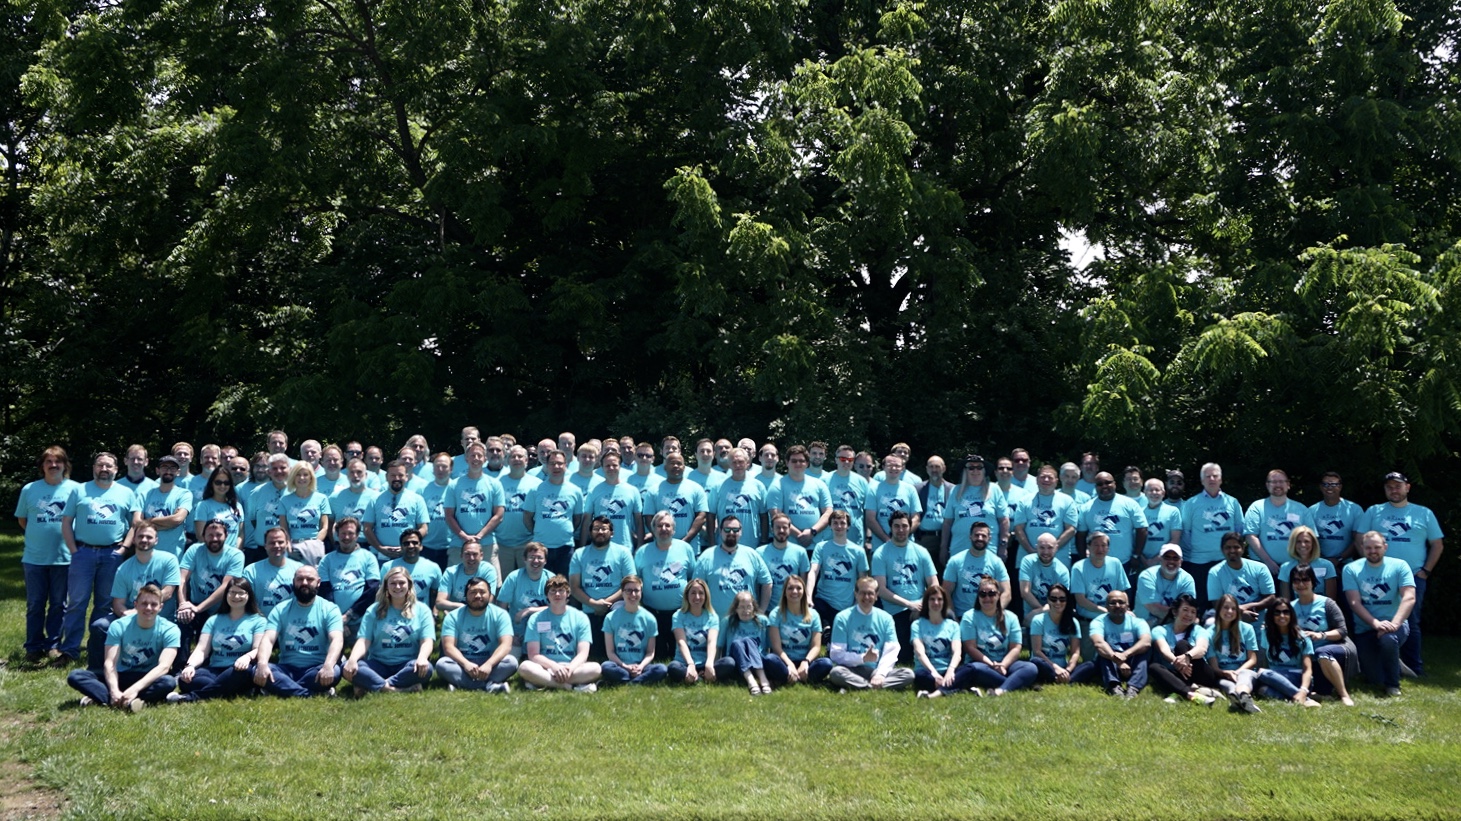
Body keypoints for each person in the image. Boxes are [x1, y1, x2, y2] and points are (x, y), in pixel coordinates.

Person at [59, 451, 140, 666]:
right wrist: (74, 550)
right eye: (100, 465)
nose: (104, 469)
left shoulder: (126, 493)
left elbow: (135, 523)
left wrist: (124, 548)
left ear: (116, 470)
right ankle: (69, 650)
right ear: (94, 467)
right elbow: (66, 521)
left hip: (112, 554)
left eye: (108, 466)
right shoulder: (79, 490)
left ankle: (96, 650)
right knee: (77, 601)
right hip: (83, 553)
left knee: (105, 603)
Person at [1359, 471, 1443, 677]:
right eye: (1389, 486)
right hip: (1378, 577)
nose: (1393, 490)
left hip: (1413, 577)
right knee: (1375, 618)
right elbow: (1360, 539)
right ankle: (1378, 663)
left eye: (1398, 486)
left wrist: (1425, 571)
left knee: (1410, 621)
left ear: (1407, 488)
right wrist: (1369, 565)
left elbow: (1437, 544)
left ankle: (1414, 666)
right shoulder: (1374, 511)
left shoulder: (1423, 513)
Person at [66, 584, 178, 711]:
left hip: (145, 677)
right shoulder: (118, 625)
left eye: (153, 604)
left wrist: (134, 689)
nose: (148, 608)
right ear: (135, 605)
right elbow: (110, 663)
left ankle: (104, 698)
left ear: (160, 607)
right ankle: (129, 701)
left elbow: (164, 667)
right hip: (119, 674)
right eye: (144, 603)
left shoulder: (170, 629)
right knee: (76, 676)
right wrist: (114, 690)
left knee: (168, 682)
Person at [16, 446, 79, 663]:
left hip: (64, 557)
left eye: (58, 461)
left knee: (59, 604)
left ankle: (53, 645)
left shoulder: (75, 489)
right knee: (35, 604)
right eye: (49, 462)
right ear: (42, 466)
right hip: (34, 558)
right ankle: (33, 647)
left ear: (65, 465)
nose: (53, 465)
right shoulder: (29, 489)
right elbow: (23, 519)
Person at [93, 524, 181, 669]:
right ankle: (97, 672)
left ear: (156, 540)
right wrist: (126, 614)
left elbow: (168, 592)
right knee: (100, 626)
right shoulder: (124, 568)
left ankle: (178, 670)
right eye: (140, 536)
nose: (144, 540)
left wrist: (141, 610)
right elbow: (117, 603)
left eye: (149, 537)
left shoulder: (169, 560)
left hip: (161, 619)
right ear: (133, 540)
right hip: (131, 620)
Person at [252, 565, 345, 698]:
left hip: (316, 668)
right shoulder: (280, 609)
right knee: (257, 670)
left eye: (309, 579)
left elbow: (337, 639)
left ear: (318, 582)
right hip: (286, 668)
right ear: (293, 582)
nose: (304, 583)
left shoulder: (330, 609)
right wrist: (262, 664)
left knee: (335, 672)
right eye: (300, 579)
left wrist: (328, 665)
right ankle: (308, 694)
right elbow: (268, 639)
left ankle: (282, 688)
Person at [1343, 530, 1415, 696]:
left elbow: (1409, 598)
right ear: (1361, 548)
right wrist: (1375, 623)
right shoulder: (1351, 569)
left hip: (1395, 626)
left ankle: (1393, 686)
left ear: (1385, 547)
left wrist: (1394, 624)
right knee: (1374, 679)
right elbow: (1354, 603)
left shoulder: (1400, 566)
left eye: (1377, 547)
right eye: (1368, 548)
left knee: (1388, 640)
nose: (1373, 551)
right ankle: (1393, 661)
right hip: (1366, 628)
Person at [343, 567, 435, 694]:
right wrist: (352, 659)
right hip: (378, 664)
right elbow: (364, 640)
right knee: (347, 667)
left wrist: (422, 658)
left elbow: (427, 641)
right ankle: (396, 689)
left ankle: (374, 685)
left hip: (407, 663)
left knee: (427, 669)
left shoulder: (422, 610)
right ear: (386, 586)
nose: (397, 587)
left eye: (402, 583)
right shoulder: (373, 610)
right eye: (393, 583)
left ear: (409, 585)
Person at [172, 578, 266, 702]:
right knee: (185, 680)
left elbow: (258, 649)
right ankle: (230, 689)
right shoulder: (214, 620)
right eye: (232, 592)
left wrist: (247, 657)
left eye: (241, 593)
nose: (236, 596)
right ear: (226, 595)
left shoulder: (258, 620)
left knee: (244, 673)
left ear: (249, 595)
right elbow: (201, 650)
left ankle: (191, 698)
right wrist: (190, 666)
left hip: (237, 669)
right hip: (214, 669)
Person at [825, 577, 914, 691]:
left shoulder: (886, 618)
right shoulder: (842, 618)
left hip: (877, 669)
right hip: (852, 668)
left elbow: (891, 650)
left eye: (870, 593)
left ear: (876, 595)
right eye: (862, 593)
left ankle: (862, 685)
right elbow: (836, 654)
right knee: (836, 673)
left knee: (908, 674)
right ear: (855, 594)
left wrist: (880, 674)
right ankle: (872, 686)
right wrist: (862, 658)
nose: (866, 597)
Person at [871, 511, 937, 663]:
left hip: (921, 607)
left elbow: (934, 584)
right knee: (903, 657)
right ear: (891, 527)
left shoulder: (921, 552)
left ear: (910, 527)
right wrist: (909, 605)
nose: (901, 530)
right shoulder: (881, 553)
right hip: (895, 611)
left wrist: (921, 604)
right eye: (897, 526)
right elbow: (880, 590)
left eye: (904, 526)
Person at [517, 574, 602, 692]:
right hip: (545, 667)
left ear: (567, 594)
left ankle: (542, 682)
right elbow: (533, 655)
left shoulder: (581, 618)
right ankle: (570, 687)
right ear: (547, 595)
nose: (557, 594)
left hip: (571, 666)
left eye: (561, 591)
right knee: (525, 667)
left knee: (596, 668)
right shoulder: (536, 618)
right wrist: (554, 667)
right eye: (553, 591)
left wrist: (569, 669)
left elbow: (583, 653)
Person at [436, 577, 519, 693]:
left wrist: (489, 664)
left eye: (482, 592)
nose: (478, 596)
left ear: (490, 595)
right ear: (465, 596)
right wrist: (466, 664)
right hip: (462, 663)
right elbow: (448, 647)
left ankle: (463, 684)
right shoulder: (453, 616)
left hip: (491, 661)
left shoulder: (501, 614)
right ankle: (489, 686)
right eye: (473, 592)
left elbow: (506, 645)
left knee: (511, 662)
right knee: (442, 664)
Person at [958, 577, 1039, 696]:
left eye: (991, 594)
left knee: (1031, 668)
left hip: (1005, 663)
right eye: (983, 594)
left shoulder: (1011, 617)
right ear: (978, 596)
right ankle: (1016, 683)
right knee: (975, 669)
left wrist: (1003, 665)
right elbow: (970, 648)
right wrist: (992, 665)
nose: (987, 598)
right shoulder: (969, 617)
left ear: (998, 595)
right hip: (981, 664)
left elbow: (1016, 648)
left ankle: (1000, 690)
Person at [1290, 564, 1356, 706]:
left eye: (1305, 580)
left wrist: (1322, 635)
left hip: (1333, 649)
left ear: (1313, 582)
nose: (1301, 584)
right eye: (1296, 580)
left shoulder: (1327, 603)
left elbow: (1342, 631)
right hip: (1307, 656)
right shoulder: (1289, 608)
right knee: (1322, 690)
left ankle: (1344, 695)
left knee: (1322, 652)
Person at [176, 520, 245, 652]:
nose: (214, 539)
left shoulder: (236, 555)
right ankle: (180, 666)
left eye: (218, 535)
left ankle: (205, 666)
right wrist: (183, 605)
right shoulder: (194, 550)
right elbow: (182, 579)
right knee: (183, 619)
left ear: (226, 536)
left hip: (222, 608)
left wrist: (198, 609)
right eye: (210, 535)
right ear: (203, 536)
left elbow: (226, 586)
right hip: (195, 603)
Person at [1181, 463, 1245, 603]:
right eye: (1207, 476)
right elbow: (1186, 533)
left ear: (1221, 479)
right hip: (1199, 561)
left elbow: (1239, 529)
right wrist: (1195, 551)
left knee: (1227, 602)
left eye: (1215, 476)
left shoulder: (1232, 502)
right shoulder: (1191, 504)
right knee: (1201, 602)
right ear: (1202, 480)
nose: (1211, 479)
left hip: (1225, 560)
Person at [634, 511, 697, 644]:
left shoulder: (685, 549)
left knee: (678, 653)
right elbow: (636, 580)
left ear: (674, 529)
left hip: (681, 613)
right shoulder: (642, 552)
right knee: (659, 654)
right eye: (659, 525)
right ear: (653, 529)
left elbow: (692, 577)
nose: (664, 529)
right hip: (653, 614)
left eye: (667, 526)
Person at [569, 517, 635, 643]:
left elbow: (630, 584)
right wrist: (594, 604)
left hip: (615, 605)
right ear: (590, 532)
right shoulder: (579, 554)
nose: (600, 532)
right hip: (589, 606)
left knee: (619, 611)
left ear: (612, 533)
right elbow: (574, 587)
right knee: (595, 651)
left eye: (604, 529)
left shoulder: (623, 552)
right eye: (596, 529)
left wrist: (604, 603)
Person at [1147, 594, 1220, 705]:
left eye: (1193, 612)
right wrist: (1179, 664)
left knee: (1182, 645)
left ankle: (1177, 691)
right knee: (1154, 667)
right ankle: (1191, 694)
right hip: (1175, 670)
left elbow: (1202, 648)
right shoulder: (1159, 630)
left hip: (1200, 672)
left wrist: (1187, 657)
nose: (1189, 615)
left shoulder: (1199, 630)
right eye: (1185, 610)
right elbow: (1164, 651)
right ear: (1175, 612)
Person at [695, 515, 772, 618]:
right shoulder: (706, 557)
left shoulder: (752, 555)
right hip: (715, 622)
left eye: (735, 530)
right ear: (720, 531)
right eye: (727, 529)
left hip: (746, 622)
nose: (731, 533)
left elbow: (767, 582)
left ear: (741, 532)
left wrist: (761, 612)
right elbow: (696, 588)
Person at [523, 449, 585, 577]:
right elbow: (527, 517)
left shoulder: (575, 491)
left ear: (565, 465)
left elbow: (577, 519)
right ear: (547, 465)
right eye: (552, 463)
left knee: (564, 587)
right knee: (542, 584)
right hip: (541, 546)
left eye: (560, 463)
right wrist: (539, 531)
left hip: (566, 547)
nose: (556, 467)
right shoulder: (535, 490)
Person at [317, 516, 381, 639]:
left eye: (350, 533)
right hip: (333, 620)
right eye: (343, 533)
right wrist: (338, 618)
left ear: (357, 535)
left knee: (360, 658)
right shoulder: (327, 560)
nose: (346, 537)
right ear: (337, 535)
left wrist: (349, 615)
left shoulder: (368, 557)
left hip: (361, 619)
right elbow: (324, 591)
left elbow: (372, 589)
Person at [807, 510, 870, 631]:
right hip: (824, 600)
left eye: (842, 523)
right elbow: (813, 571)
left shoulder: (858, 551)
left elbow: (863, 580)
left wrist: (858, 603)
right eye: (835, 523)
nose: (839, 526)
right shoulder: (821, 547)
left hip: (846, 603)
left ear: (848, 526)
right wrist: (808, 597)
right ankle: (825, 629)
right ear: (830, 526)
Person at [764, 574, 832, 687]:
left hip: (805, 661)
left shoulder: (813, 615)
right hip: (784, 660)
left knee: (826, 663)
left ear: (804, 591)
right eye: (790, 588)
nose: (794, 591)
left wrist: (805, 662)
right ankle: (800, 677)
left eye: (799, 588)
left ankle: (790, 677)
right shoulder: (775, 614)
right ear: (784, 592)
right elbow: (776, 648)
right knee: (770, 659)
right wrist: (789, 664)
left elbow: (816, 647)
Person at [600, 575, 669, 686]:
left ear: (641, 592)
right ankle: (638, 681)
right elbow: (610, 652)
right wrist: (625, 666)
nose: (633, 595)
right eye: (628, 591)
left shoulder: (649, 619)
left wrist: (640, 667)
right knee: (606, 666)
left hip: (641, 665)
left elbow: (650, 652)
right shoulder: (610, 618)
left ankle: (627, 681)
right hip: (619, 665)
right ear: (622, 593)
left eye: (636, 590)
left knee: (661, 669)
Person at [1243, 469, 1315, 575]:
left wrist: (1303, 562)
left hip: (1295, 567)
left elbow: (1312, 538)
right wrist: (1268, 562)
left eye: (1281, 481)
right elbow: (1251, 536)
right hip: (1262, 567)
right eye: (1273, 482)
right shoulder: (1256, 507)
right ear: (1267, 485)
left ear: (1288, 484)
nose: (1277, 485)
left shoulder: (1301, 509)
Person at [941, 455, 1009, 565]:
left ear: (984, 471)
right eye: (971, 467)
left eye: (979, 467)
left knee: (988, 581)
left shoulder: (994, 489)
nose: (975, 471)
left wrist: (1003, 546)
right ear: (965, 471)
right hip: (959, 548)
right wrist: (943, 547)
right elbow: (947, 522)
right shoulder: (956, 490)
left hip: (988, 549)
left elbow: (1004, 521)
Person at [1075, 472, 1148, 571]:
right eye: (1100, 484)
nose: (1104, 486)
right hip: (1096, 563)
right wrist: (1084, 558)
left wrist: (1136, 556)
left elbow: (1142, 530)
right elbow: (1080, 536)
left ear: (1115, 483)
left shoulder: (1130, 504)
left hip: (1125, 562)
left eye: (1107, 482)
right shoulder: (1086, 508)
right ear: (1095, 487)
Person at [1254, 599, 1321, 707]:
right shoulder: (1266, 633)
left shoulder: (1303, 637)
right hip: (1275, 678)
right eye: (1277, 612)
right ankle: (1302, 699)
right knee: (1263, 690)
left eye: (1286, 612)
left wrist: (1304, 689)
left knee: (1263, 673)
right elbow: (1265, 661)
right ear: (1271, 615)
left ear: (1291, 615)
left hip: (1299, 679)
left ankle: (1301, 695)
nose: (1282, 615)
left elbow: (1307, 669)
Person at [765, 445, 832, 548]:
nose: (798, 464)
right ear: (787, 462)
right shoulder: (777, 486)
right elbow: (776, 516)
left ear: (807, 463)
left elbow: (828, 512)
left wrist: (812, 532)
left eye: (801, 461)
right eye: (794, 461)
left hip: (816, 546)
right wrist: (799, 535)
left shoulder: (819, 484)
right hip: (788, 546)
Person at [1089, 589, 1151, 698]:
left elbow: (1146, 642)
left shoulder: (1138, 622)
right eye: (1113, 603)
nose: (1117, 606)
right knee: (1103, 652)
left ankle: (1133, 688)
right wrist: (1118, 661)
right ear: (1106, 606)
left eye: (1121, 602)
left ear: (1127, 605)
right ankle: (1114, 686)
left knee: (1145, 651)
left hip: (1131, 661)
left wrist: (1125, 655)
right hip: (1110, 661)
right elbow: (1098, 643)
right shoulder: (1098, 622)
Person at [1028, 583, 1094, 686]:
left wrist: (1067, 670)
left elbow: (1075, 652)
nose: (1058, 602)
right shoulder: (1038, 620)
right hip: (1046, 665)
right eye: (1053, 599)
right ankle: (1067, 680)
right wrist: (1056, 668)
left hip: (1064, 666)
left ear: (1067, 601)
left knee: (1090, 665)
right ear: (1048, 600)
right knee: (1036, 662)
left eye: (1062, 599)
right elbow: (1037, 651)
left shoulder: (1073, 622)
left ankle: (1062, 679)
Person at [365, 460, 430, 563]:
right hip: (381, 556)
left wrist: (409, 544)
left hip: (408, 555)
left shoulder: (417, 499)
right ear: (386, 477)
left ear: (406, 477)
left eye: (400, 475)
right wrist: (380, 547)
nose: (397, 479)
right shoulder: (375, 499)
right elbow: (367, 528)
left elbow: (424, 528)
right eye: (393, 475)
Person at [1013, 464, 1078, 566]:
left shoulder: (1067, 501)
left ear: (1056, 481)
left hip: (1058, 560)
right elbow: (1018, 528)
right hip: (1028, 559)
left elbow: (1071, 529)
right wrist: (1030, 550)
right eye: (1043, 477)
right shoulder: (1024, 501)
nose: (1046, 480)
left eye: (1050, 477)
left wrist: (1052, 549)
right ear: (1037, 480)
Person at [942, 521, 1011, 618]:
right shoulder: (955, 561)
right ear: (970, 537)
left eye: (983, 536)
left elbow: (1007, 592)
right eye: (976, 535)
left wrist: (994, 611)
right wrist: (953, 619)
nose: (980, 538)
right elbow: (946, 592)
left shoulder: (996, 562)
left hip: (988, 616)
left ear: (989, 538)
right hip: (961, 615)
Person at [1206, 593, 1261, 713]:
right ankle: (1235, 697)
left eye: (1233, 608)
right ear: (1219, 609)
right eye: (1225, 607)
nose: (1229, 611)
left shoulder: (1247, 629)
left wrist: (1237, 672)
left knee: (1244, 676)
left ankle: (1243, 695)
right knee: (1226, 684)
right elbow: (1214, 666)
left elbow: (1252, 659)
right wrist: (1225, 673)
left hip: (1244, 671)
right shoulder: (1209, 633)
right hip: (1223, 674)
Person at [1206, 532, 1276, 623]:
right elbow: (1216, 603)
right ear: (1222, 550)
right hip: (1228, 619)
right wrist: (1239, 613)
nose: (1232, 551)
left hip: (1257, 618)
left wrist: (1247, 608)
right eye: (1228, 547)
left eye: (1236, 547)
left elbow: (1271, 598)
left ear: (1243, 548)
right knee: (1209, 623)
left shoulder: (1260, 568)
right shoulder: (1215, 572)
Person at [495, 445, 543, 578]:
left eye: (520, 456)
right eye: (512, 456)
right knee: (502, 585)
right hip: (502, 543)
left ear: (527, 460)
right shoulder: (496, 483)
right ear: (507, 460)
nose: (516, 459)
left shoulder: (537, 484)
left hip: (528, 543)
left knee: (529, 581)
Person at [713, 591, 774, 695]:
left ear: (754, 607)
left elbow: (768, 646)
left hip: (758, 660)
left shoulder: (763, 620)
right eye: (741, 607)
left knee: (748, 640)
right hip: (736, 663)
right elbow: (719, 646)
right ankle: (751, 681)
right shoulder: (728, 621)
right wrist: (713, 667)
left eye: (749, 606)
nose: (745, 611)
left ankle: (762, 678)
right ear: (736, 608)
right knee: (738, 642)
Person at [497, 542, 551, 655]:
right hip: (517, 631)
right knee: (510, 661)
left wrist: (529, 610)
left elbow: (558, 608)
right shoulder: (514, 577)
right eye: (532, 557)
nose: (536, 561)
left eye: (539, 558)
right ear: (525, 559)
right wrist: (509, 634)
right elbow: (502, 609)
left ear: (545, 561)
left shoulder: (551, 579)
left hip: (543, 631)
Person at [582, 449, 642, 548]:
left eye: (614, 465)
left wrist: (640, 546)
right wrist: (582, 547)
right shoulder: (594, 491)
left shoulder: (632, 491)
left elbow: (639, 522)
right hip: (599, 547)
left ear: (620, 466)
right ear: (602, 467)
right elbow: (586, 521)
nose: (611, 468)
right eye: (607, 466)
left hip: (625, 547)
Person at [134, 455, 191, 558]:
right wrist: (168, 524)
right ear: (157, 471)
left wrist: (148, 521)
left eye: (172, 468)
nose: (168, 471)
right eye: (164, 467)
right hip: (146, 553)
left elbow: (177, 519)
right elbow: (136, 522)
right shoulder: (145, 495)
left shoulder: (184, 494)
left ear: (178, 472)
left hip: (173, 555)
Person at [912, 585, 962, 698]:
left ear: (944, 602)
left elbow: (957, 652)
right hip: (927, 670)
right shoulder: (917, 625)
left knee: (968, 670)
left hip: (947, 669)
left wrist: (950, 670)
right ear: (926, 602)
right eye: (932, 599)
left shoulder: (953, 625)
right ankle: (954, 687)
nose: (936, 602)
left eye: (939, 599)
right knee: (920, 676)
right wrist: (934, 673)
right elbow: (920, 653)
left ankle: (934, 694)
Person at [242, 527, 304, 616]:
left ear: (287, 543)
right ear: (265, 545)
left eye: (280, 542)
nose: (276, 546)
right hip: (261, 623)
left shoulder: (299, 569)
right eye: (272, 543)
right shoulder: (251, 571)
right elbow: (246, 603)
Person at [712, 447, 767, 547]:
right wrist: (711, 542)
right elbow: (710, 516)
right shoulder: (718, 486)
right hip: (724, 544)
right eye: (734, 462)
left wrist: (763, 541)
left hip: (752, 544)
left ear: (747, 463)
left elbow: (764, 516)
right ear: (729, 465)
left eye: (741, 462)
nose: (737, 465)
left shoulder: (758, 486)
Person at [669, 578, 719, 685]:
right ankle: (700, 676)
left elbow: (712, 642)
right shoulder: (678, 616)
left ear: (706, 596)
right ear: (687, 596)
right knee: (673, 667)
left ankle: (700, 675)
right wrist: (690, 664)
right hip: (684, 662)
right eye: (693, 593)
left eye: (701, 593)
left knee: (729, 663)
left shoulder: (712, 616)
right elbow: (681, 642)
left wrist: (709, 663)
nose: (697, 597)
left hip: (704, 663)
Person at [278, 463, 330, 566]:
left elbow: (324, 527)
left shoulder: (322, 498)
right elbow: (283, 528)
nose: (302, 478)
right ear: (293, 477)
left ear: (311, 477)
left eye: (305, 474)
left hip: (314, 546)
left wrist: (315, 543)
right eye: (298, 474)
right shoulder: (284, 500)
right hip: (293, 547)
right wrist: (288, 544)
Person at [381, 529, 444, 614]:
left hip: (421, 616)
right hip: (394, 615)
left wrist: (434, 614)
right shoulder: (388, 567)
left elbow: (436, 594)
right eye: (406, 543)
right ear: (401, 547)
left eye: (414, 543)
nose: (411, 546)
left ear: (421, 546)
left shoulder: (433, 568)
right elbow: (382, 594)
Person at [865, 453, 922, 547]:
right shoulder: (873, 490)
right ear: (883, 467)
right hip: (881, 546)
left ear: (902, 468)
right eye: (890, 465)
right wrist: (887, 540)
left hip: (906, 545)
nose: (894, 468)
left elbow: (916, 518)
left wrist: (903, 537)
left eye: (897, 466)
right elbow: (870, 519)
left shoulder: (910, 489)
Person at [758, 512, 811, 612]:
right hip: (767, 609)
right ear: (771, 529)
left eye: (785, 527)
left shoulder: (800, 552)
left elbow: (803, 583)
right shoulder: (760, 553)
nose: (781, 530)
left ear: (789, 529)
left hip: (793, 609)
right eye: (778, 527)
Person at [245, 454, 292, 565]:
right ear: (269, 471)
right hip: (263, 551)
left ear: (289, 470)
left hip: (291, 549)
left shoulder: (296, 491)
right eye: (274, 468)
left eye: (282, 468)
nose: (279, 471)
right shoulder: (256, 493)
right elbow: (253, 519)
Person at [1133, 544, 1197, 626]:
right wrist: (1179, 617)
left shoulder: (1187, 579)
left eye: (1175, 558)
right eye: (1167, 557)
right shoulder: (1146, 576)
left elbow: (1188, 609)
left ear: (1181, 561)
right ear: (1160, 559)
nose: (1171, 561)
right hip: (1146, 626)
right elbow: (1154, 608)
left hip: (1175, 626)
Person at [1071, 531, 1128, 623]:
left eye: (1103, 545)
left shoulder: (1116, 563)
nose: (1100, 549)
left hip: (1113, 619)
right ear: (1088, 547)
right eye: (1096, 545)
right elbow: (1081, 600)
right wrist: (1107, 611)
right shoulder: (1078, 568)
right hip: (1088, 621)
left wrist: (1125, 609)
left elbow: (1122, 592)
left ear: (1108, 548)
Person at [822, 444, 870, 549]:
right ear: (836, 460)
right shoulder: (824, 481)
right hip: (829, 538)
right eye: (843, 459)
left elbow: (868, 512)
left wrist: (868, 537)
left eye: (850, 459)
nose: (847, 462)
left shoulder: (862, 482)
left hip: (855, 539)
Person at [1018, 533, 1071, 626]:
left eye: (1050, 548)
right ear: (1036, 547)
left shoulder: (1062, 571)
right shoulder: (1028, 561)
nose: (1046, 552)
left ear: (1056, 548)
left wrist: (1039, 613)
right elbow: (1025, 592)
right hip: (1031, 615)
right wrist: (1040, 611)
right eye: (1042, 548)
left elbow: (1061, 601)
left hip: (1054, 617)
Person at [1309, 471, 1362, 561]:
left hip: (1346, 562)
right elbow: (1308, 540)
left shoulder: (1354, 509)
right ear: (1321, 487)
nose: (1329, 487)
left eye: (1334, 484)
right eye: (1325, 484)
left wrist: (1339, 559)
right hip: (1318, 561)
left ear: (1340, 487)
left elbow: (1358, 540)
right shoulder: (1311, 510)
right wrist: (1322, 560)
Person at [1277, 526, 1338, 601]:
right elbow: (1286, 600)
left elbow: (1331, 599)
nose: (1303, 545)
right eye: (1298, 542)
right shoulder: (1285, 567)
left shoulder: (1327, 566)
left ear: (1313, 543)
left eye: (1306, 541)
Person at [193, 465, 245, 552]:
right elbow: (200, 536)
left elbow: (240, 534)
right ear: (212, 483)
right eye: (218, 482)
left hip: (232, 556)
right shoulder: (203, 505)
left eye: (226, 483)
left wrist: (236, 553)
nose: (222, 486)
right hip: (210, 554)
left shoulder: (237, 506)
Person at [437, 540, 499, 611]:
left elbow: (488, 601)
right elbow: (439, 603)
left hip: (480, 614)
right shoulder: (451, 572)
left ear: (481, 555)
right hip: (457, 615)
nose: (471, 558)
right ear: (461, 555)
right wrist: (461, 607)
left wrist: (467, 610)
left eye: (475, 554)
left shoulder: (488, 570)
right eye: (467, 554)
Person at [1138, 478, 1183, 567]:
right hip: (1141, 563)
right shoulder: (1138, 512)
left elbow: (1175, 539)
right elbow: (1134, 540)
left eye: (1157, 490)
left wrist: (1155, 560)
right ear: (1145, 493)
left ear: (1163, 493)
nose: (1154, 493)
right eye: (1151, 490)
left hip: (1165, 562)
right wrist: (1144, 560)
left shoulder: (1173, 511)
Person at [915, 455, 952, 560]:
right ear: (927, 469)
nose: (934, 470)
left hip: (947, 538)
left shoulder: (953, 490)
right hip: (924, 539)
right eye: (931, 467)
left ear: (944, 468)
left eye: (937, 466)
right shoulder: (918, 489)